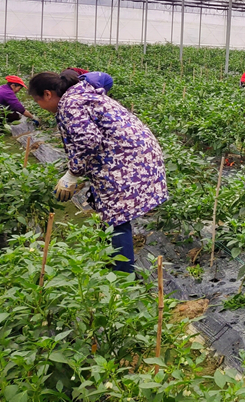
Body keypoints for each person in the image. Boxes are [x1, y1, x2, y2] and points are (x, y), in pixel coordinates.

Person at [27, 70, 168, 273]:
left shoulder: (69, 104)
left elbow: (88, 141)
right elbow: (105, 79)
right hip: (136, 153)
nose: (39, 106)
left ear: (47, 94)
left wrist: (72, 174)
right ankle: (109, 258)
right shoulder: (81, 92)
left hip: (125, 160)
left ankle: (122, 278)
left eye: (37, 100)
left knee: (116, 218)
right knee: (109, 209)